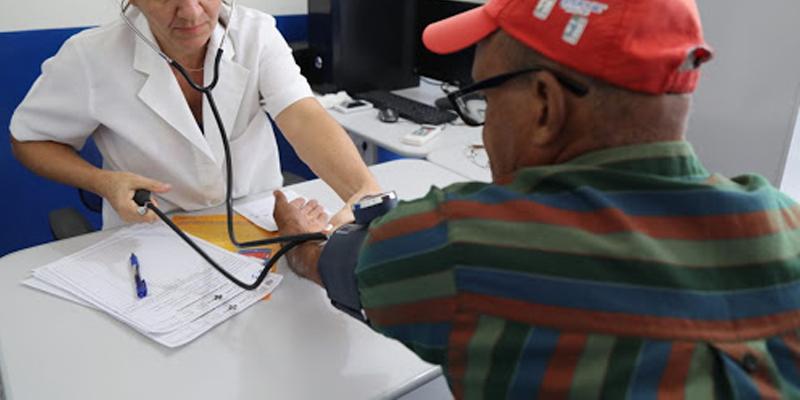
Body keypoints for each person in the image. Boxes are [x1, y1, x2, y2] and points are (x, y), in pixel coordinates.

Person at [273, 0, 800, 398]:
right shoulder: (785, 224)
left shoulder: (460, 244)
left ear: (545, 105)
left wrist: (303, 241)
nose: (482, 128)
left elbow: (336, 263)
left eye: (482, 96)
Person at [9, 0, 379, 229]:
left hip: (260, 227)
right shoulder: (90, 57)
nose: (189, 11)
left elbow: (303, 116)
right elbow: (30, 139)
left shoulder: (256, 35)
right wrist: (101, 181)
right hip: (153, 235)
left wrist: (363, 190)